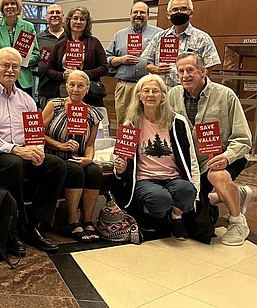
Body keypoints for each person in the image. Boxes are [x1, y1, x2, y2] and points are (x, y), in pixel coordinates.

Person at [0, 47, 66, 254]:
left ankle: (34, 226)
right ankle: (12, 228)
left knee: (56, 165)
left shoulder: (26, 99)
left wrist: (38, 150)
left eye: (15, 66)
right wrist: (16, 150)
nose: (10, 70)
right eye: (5, 65)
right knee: (13, 165)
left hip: (22, 151)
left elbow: (36, 132)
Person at [169, 52, 252, 245]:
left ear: (203, 71)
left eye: (190, 70)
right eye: (181, 71)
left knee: (218, 176)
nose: (185, 75)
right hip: (191, 162)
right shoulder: (172, 95)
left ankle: (237, 222)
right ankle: (235, 194)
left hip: (221, 157)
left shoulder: (225, 95)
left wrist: (226, 157)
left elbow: (243, 138)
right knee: (193, 204)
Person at [113, 74, 200, 240]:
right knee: (160, 199)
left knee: (187, 191)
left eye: (155, 91)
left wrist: (195, 185)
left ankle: (176, 218)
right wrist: (120, 169)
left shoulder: (178, 122)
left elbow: (191, 157)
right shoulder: (130, 124)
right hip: (145, 178)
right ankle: (153, 216)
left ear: (163, 95)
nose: (151, 95)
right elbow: (120, 158)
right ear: (139, 96)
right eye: (146, 91)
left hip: (173, 176)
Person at [42, 70, 103, 242]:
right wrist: (60, 145)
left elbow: (90, 144)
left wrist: (89, 158)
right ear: (66, 86)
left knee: (94, 171)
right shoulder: (54, 105)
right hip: (54, 155)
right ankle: (71, 220)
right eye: (72, 85)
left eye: (80, 86)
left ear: (87, 89)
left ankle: (87, 219)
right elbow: (38, 132)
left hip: (78, 156)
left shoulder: (93, 114)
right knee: (75, 171)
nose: (75, 89)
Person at [142, 0, 220, 88]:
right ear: (168, 15)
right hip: (163, 93)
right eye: (175, 10)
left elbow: (209, 67)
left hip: (189, 93)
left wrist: (196, 87)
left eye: (183, 9)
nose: (179, 12)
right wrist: (157, 69)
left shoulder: (203, 38)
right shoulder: (159, 37)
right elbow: (147, 64)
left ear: (191, 13)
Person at [106, 2, 162, 125]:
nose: (138, 15)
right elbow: (107, 59)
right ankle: (125, 145)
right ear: (130, 15)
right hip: (125, 86)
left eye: (142, 12)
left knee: (150, 122)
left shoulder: (159, 34)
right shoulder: (119, 35)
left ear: (148, 15)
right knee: (125, 123)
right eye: (135, 12)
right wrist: (121, 60)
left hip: (149, 88)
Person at [46, 6, 108, 107]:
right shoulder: (60, 44)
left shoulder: (94, 43)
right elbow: (49, 70)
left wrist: (82, 74)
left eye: (82, 19)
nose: (78, 22)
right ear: (69, 21)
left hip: (88, 93)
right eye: (75, 18)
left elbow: (104, 67)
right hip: (64, 90)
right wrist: (62, 75)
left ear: (87, 23)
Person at [0, 0, 39, 96]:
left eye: (13, 3)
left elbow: (36, 54)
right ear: (2, 7)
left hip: (23, 80)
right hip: (1, 78)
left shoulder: (28, 27)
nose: (9, 6)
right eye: (6, 4)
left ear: (18, 7)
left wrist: (18, 63)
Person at [36, 4, 64, 108]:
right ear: (46, 17)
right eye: (51, 13)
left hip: (68, 89)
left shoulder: (71, 37)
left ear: (63, 15)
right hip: (46, 88)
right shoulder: (38, 38)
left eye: (58, 12)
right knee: (46, 122)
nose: (55, 15)